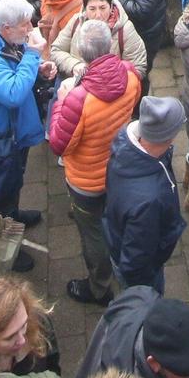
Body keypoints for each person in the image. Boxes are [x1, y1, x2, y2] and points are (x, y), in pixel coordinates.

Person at [50, 20, 144, 305]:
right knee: (112, 220)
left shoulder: (78, 98)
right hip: (117, 168)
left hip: (87, 181)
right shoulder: (129, 75)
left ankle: (99, 286)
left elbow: (59, 143)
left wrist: (60, 101)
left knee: (92, 232)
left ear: (80, 50)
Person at [0, 0, 54, 240]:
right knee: (1, 192)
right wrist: (32, 56)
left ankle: (14, 215)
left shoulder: (5, 38)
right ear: (7, 27)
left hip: (14, 133)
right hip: (1, 139)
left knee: (15, 180)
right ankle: (5, 242)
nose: (30, 29)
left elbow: (14, 71)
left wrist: (37, 72)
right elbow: (13, 93)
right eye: (25, 25)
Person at [103, 96, 189, 293]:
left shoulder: (125, 141)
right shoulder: (149, 200)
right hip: (142, 273)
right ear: (168, 136)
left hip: (117, 234)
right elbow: (136, 262)